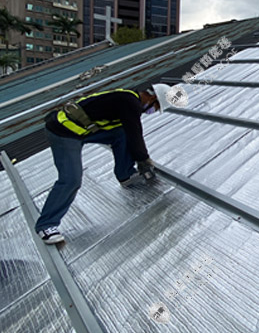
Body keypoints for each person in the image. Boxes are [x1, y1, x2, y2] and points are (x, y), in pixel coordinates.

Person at [35, 83, 171, 244]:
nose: (152, 111)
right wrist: (144, 160)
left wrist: (141, 159)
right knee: (71, 179)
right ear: (152, 98)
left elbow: (129, 133)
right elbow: (135, 133)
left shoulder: (128, 97)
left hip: (83, 130)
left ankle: (125, 175)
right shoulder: (130, 103)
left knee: (121, 134)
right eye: (155, 107)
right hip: (64, 132)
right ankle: (46, 225)